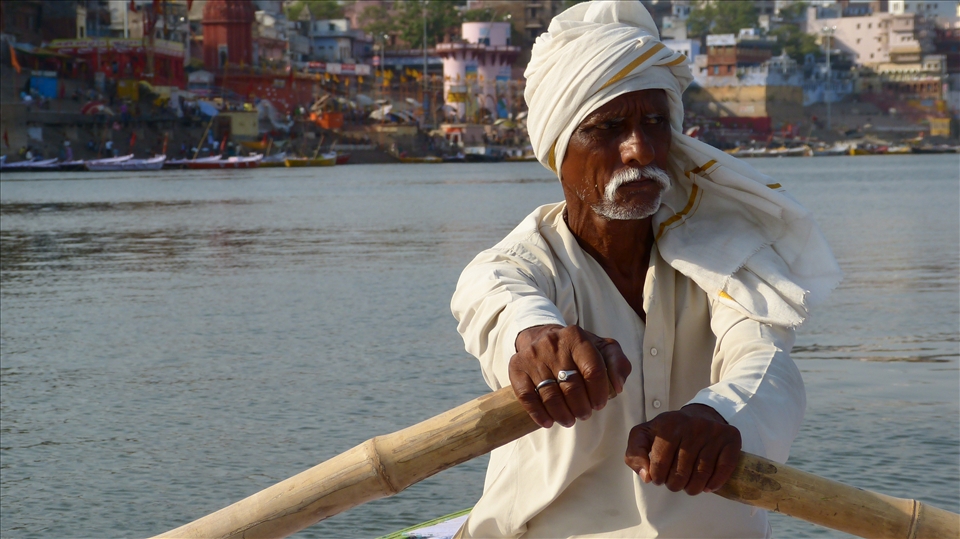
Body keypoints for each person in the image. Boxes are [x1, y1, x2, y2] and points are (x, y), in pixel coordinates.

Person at [450, 2, 842, 538]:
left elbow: (766, 363)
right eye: (610, 127)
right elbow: (500, 308)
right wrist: (538, 342)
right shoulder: (514, 265)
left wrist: (720, 417)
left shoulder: (730, 257)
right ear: (558, 148)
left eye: (654, 123)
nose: (640, 148)